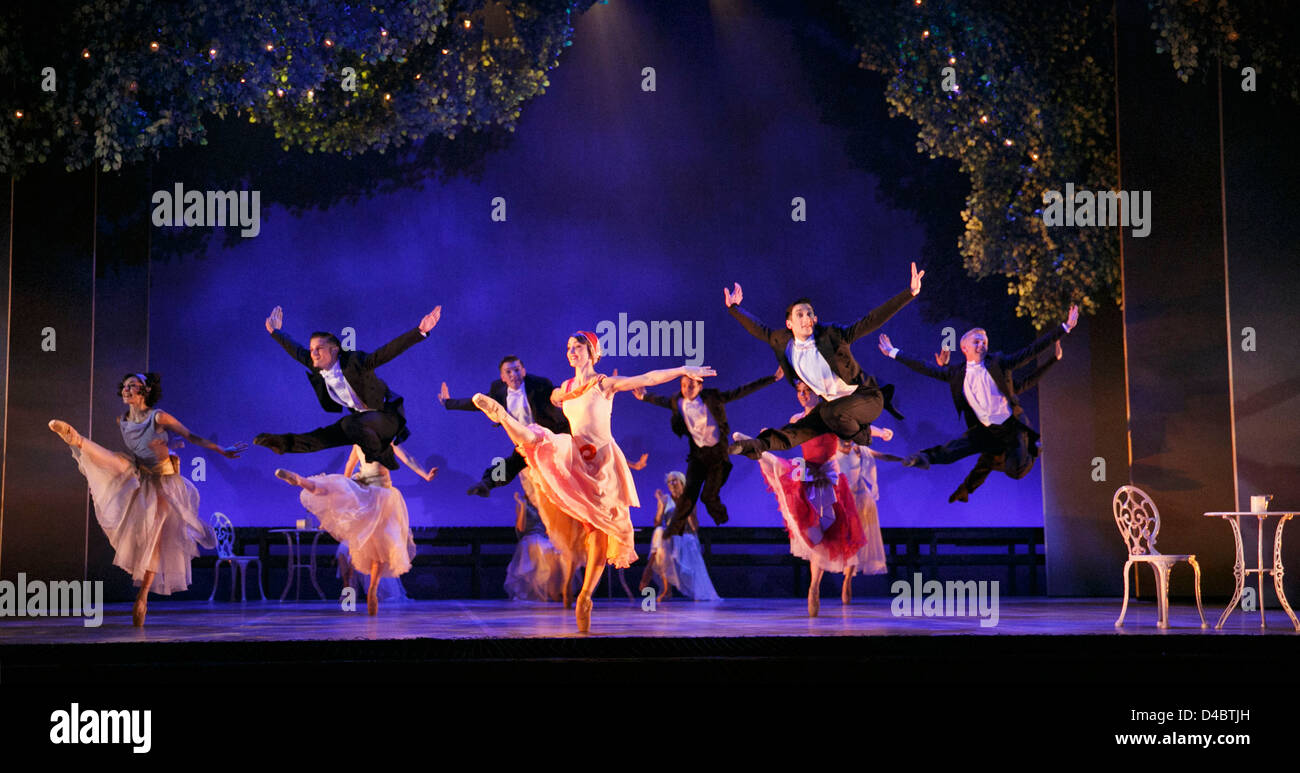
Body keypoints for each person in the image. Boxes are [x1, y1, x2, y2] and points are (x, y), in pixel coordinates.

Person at [469, 330, 715, 632]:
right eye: (569, 347)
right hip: (576, 454)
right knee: (539, 439)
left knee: (599, 529)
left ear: (592, 352)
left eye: (578, 347)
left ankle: (585, 596)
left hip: (602, 462)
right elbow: (556, 400)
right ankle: (503, 417)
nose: (572, 351)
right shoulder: (563, 390)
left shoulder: (604, 384)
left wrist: (681, 370)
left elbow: (647, 378)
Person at [49, 372, 247, 626]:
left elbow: (190, 436)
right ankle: (76, 439)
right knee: (118, 463)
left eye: (133, 386)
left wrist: (221, 450)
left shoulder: (159, 416)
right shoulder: (121, 420)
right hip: (141, 474)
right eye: (125, 386)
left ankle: (142, 598)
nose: (126, 390)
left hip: (166, 484)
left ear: (146, 391)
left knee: (154, 536)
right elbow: (151, 446)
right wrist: (168, 446)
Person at [723, 262, 923, 459]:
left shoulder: (832, 335)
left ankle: (864, 435)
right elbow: (760, 329)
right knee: (797, 430)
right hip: (833, 406)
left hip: (866, 397)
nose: (806, 317)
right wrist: (734, 308)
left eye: (809, 313)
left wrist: (910, 293)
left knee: (829, 411)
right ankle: (754, 445)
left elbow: (870, 320)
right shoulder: (782, 342)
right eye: (800, 314)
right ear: (789, 323)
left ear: (815, 319)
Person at [876, 305, 1078, 499]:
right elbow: (924, 367)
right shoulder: (956, 374)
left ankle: (1032, 448)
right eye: (977, 341)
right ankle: (923, 457)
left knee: (1015, 471)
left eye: (984, 342)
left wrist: (1064, 328)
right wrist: (893, 352)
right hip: (985, 428)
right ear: (964, 347)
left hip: (1011, 427)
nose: (982, 345)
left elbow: (1030, 351)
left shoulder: (999, 363)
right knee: (956, 447)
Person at [737, 380, 893, 616]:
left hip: (830, 480)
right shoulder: (797, 419)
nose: (802, 395)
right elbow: (784, 435)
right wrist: (766, 437)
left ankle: (816, 587)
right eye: (799, 392)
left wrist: (881, 433)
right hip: (806, 475)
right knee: (811, 530)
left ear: (817, 393)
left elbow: (859, 427)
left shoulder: (831, 417)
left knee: (827, 534)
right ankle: (814, 587)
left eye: (806, 391)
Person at [255, 304, 441, 470]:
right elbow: (296, 350)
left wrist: (419, 331)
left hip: (386, 417)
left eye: (318, 348)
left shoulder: (355, 362)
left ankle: (384, 454)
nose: (313, 354)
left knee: (348, 423)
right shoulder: (316, 364)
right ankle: (282, 443)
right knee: (325, 436)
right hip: (362, 423)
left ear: (334, 350)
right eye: (311, 349)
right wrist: (275, 332)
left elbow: (387, 352)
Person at [273, 442, 433, 615]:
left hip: (374, 502)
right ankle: (353, 599)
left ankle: (365, 593)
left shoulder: (386, 440)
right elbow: (350, 465)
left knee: (373, 555)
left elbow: (407, 458)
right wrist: (344, 487)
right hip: (364, 505)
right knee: (350, 572)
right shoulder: (361, 443)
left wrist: (425, 475)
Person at [632, 366, 782, 525]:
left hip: (717, 449)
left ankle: (724, 522)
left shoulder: (713, 398)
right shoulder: (679, 402)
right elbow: (661, 401)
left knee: (709, 495)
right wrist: (644, 397)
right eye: (684, 386)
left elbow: (741, 391)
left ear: (700, 387)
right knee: (696, 492)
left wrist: (772, 378)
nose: (687, 389)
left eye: (691, 385)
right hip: (700, 451)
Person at [928, 341, 1063, 502]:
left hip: (1012, 434)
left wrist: (1053, 360)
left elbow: (1029, 380)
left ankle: (1034, 448)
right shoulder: (976, 384)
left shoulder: (1004, 389)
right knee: (987, 460)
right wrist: (945, 366)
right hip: (993, 433)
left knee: (1010, 467)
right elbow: (961, 377)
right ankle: (965, 489)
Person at [439, 356, 571, 497]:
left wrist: (562, 397)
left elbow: (556, 393)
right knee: (511, 464)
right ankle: (486, 483)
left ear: (524, 371)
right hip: (525, 441)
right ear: (503, 377)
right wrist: (448, 403)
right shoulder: (498, 392)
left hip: (550, 436)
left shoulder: (540, 385)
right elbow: (476, 403)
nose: (513, 374)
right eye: (508, 372)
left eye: (517, 370)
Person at [640, 471, 721, 602]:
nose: (671, 484)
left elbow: (694, 527)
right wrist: (660, 506)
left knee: (668, 540)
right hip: (669, 538)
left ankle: (649, 572)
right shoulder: (665, 500)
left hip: (685, 536)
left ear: (682, 483)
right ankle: (666, 589)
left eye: (674, 480)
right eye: (669, 482)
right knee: (660, 534)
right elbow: (657, 523)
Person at [504, 490, 566, 602]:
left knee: (557, 552)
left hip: (545, 538)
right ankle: (543, 592)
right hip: (530, 537)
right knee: (539, 548)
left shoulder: (545, 504)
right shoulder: (524, 504)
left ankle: (555, 590)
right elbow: (521, 528)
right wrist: (522, 506)